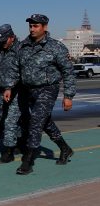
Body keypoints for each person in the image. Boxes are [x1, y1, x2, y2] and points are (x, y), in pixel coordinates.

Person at [16, 14, 76, 175]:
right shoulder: (23, 46)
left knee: (35, 121)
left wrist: (68, 96)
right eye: (30, 26)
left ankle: (27, 161)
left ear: (45, 27)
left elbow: (68, 72)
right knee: (45, 122)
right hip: (28, 91)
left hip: (48, 89)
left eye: (36, 26)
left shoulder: (56, 47)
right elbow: (17, 69)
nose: (32, 29)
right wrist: (8, 88)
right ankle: (65, 148)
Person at [0, 24, 23, 163]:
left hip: (18, 92)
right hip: (1, 92)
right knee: (4, 118)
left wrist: (10, 87)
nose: (2, 43)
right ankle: (19, 143)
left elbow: (22, 72)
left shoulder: (21, 49)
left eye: (5, 40)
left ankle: (8, 152)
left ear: (12, 37)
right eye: (0, 40)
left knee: (10, 121)